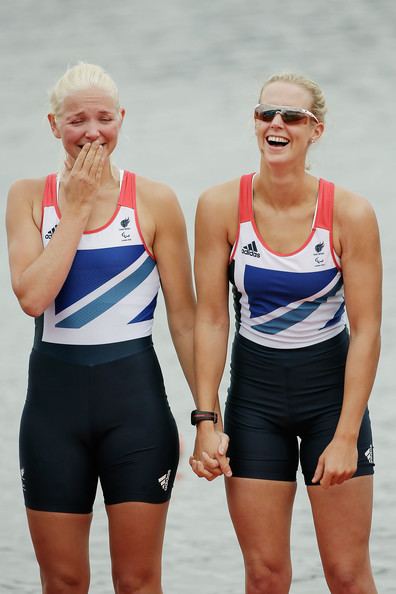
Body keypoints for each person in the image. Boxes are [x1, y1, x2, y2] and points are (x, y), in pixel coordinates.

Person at [6, 62, 195, 594]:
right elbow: (32, 297)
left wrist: (206, 416)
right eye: (76, 121)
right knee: (63, 583)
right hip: (52, 418)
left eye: (104, 119)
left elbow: (185, 317)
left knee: (136, 582)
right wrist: (77, 207)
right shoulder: (27, 197)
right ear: (52, 125)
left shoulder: (154, 201)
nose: (92, 132)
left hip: (135, 413)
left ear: (122, 119)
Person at [190, 72, 381, 594]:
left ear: (315, 130)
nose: (277, 124)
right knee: (266, 576)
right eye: (266, 113)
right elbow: (210, 319)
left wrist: (345, 437)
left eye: (291, 116)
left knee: (347, 575)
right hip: (256, 405)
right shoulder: (219, 207)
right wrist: (207, 420)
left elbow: (367, 331)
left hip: (330, 403)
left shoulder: (351, 214)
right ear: (255, 123)